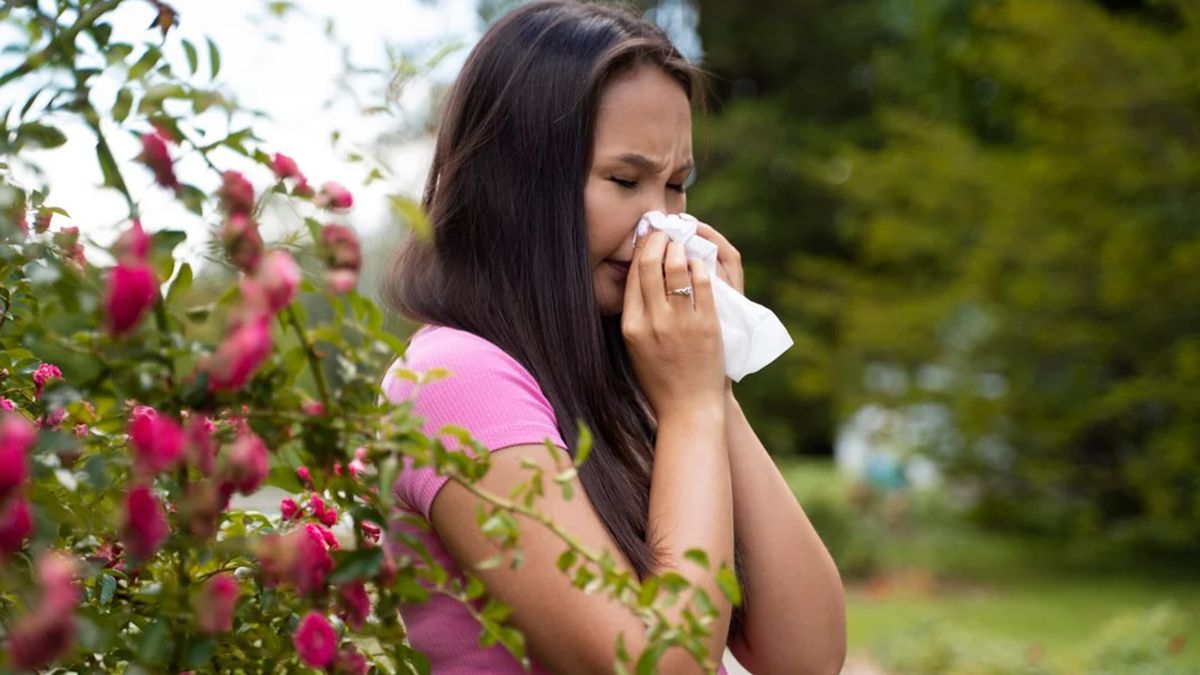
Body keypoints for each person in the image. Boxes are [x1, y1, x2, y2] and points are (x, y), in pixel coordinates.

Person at [381, 2, 846, 673]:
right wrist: (689, 408)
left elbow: (807, 657)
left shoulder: (623, 372)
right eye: (627, 181)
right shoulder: (458, 380)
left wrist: (710, 383)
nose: (662, 224)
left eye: (678, 186)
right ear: (520, 186)